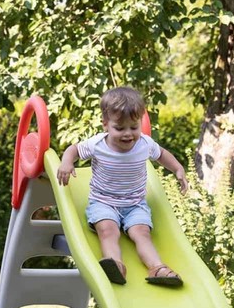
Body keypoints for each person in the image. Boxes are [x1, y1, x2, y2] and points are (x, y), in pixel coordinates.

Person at [57, 86, 189, 286]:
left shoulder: (145, 144)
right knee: (108, 230)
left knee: (142, 233)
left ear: (140, 123)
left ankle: (157, 268)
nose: (128, 134)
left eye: (134, 127)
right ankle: (115, 265)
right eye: (119, 128)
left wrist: (178, 169)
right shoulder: (97, 144)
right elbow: (73, 150)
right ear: (106, 124)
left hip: (135, 205)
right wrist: (67, 162)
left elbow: (161, 154)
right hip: (103, 203)